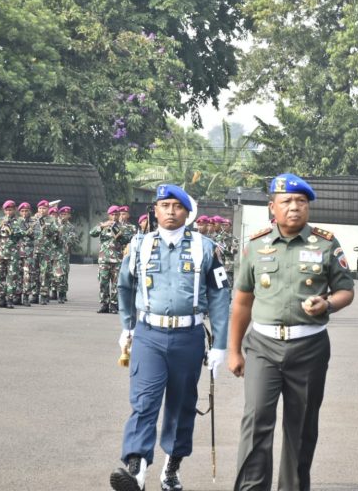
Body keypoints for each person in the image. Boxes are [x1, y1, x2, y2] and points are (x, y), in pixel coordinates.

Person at [228, 173, 355, 491]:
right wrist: (233, 350)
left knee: (301, 427)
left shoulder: (326, 243)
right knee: (256, 420)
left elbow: (346, 291)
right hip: (262, 346)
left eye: (301, 201)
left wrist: (327, 304)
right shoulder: (256, 245)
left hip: (309, 347)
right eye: (286, 201)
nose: (294, 207)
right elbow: (242, 302)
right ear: (272, 207)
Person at [111, 184, 230, 491]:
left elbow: (220, 297)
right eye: (164, 206)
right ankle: (136, 469)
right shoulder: (139, 245)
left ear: (188, 213)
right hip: (149, 334)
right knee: (144, 401)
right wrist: (127, 327)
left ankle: (171, 468)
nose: (171, 211)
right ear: (155, 210)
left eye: (177, 206)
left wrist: (219, 345)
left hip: (188, 336)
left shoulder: (206, 248)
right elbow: (125, 286)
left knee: (182, 405)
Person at [90, 206, 124, 313]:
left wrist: (118, 232)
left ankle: (114, 304)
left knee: (116, 283)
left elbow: (127, 239)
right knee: (103, 282)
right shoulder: (103, 225)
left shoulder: (123, 226)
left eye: (116, 214)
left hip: (117, 259)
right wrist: (102, 226)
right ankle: (105, 303)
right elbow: (92, 233)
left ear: (119, 215)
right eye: (112, 214)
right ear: (109, 215)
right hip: (104, 259)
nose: (114, 217)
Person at [0, 200, 24, 308]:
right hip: (0, 253)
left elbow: (22, 233)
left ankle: (10, 299)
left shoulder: (19, 221)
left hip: (12, 254)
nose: (8, 212)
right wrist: (1, 225)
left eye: (10, 210)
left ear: (15, 210)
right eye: (6, 210)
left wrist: (10, 228)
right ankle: (1, 299)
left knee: (12, 277)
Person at [54, 206, 80, 303]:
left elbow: (75, 240)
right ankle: (53, 292)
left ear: (69, 215)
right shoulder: (55, 224)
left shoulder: (71, 227)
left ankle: (62, 293)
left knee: (63, 274)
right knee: (53, 274)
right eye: (62, 214)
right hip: (53, 252)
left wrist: (68, 240)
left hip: (63, 253)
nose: (64, 216)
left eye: (66, 214)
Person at [15, 202, 35, 307]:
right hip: (17, 252)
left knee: (28, 275)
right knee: (17, 274)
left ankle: (26, 297)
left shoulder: (34, 222)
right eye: (22, 211)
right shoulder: (16, 221)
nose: (24, 213)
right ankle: (17, 296)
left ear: (29, 211)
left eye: (26, 211)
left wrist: (31, 232)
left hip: (29, 253)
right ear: (19, 212)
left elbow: (38, 234)